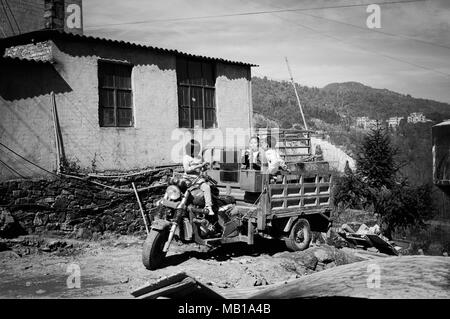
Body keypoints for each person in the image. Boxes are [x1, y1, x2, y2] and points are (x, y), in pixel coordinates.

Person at [182, 139, 214, 216]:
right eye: (195, 150)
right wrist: (199, 165)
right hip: (188, 179)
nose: (197, 151)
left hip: (198, 179)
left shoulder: (199, 157)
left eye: (198, 149)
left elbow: (202, 169)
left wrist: (205, 167)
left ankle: (208, 207)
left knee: (207, 187)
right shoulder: (186, 158)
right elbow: (187, 170)